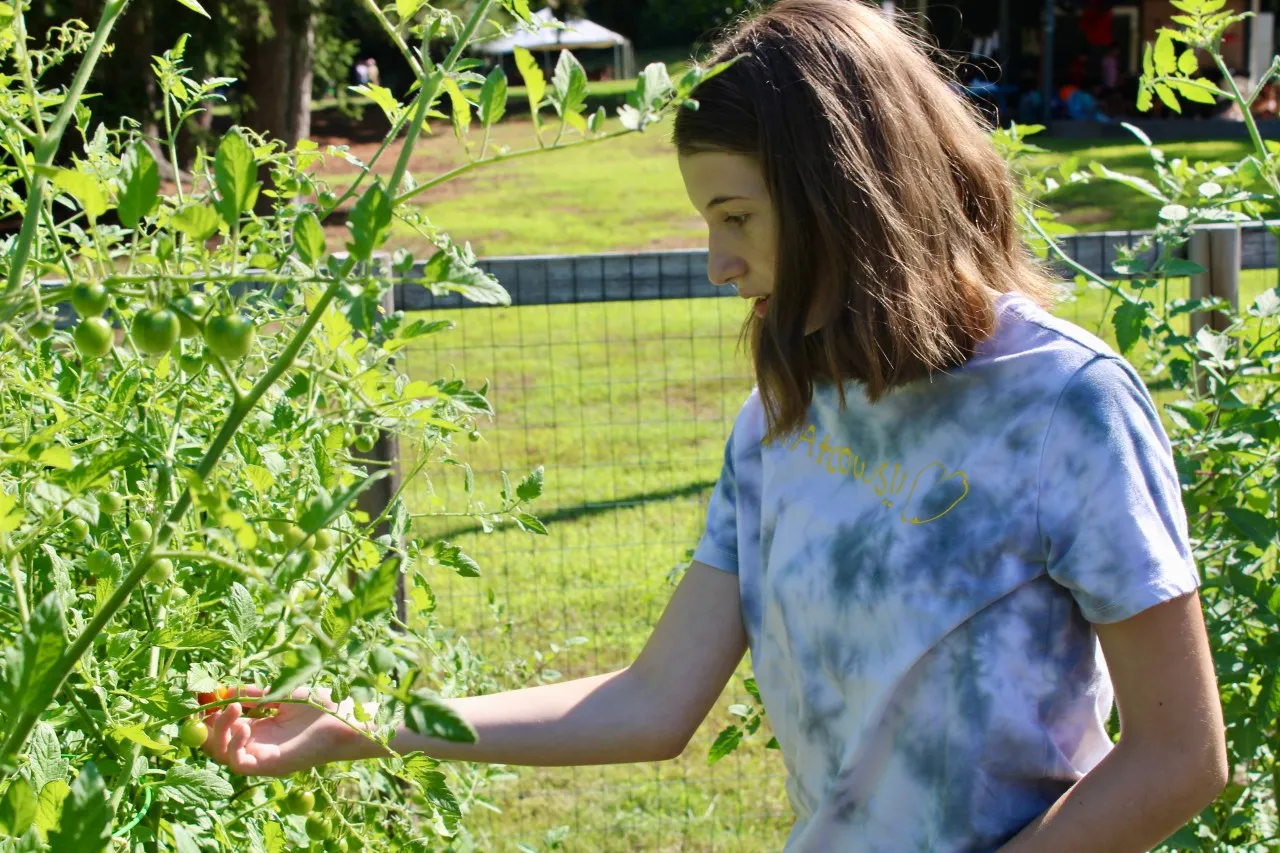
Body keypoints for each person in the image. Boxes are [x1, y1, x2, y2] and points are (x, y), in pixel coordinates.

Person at [202, 2, 1228, 850]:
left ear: (846, 196)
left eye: (735, 217)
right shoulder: (787, 410)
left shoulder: (1063, 405)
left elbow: (1178, 753)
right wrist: (362, 725)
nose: (716, 264)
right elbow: (652, 700)